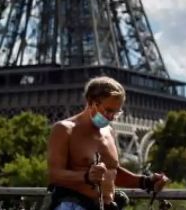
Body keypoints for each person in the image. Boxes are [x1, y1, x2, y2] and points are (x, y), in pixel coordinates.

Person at [46, 76, 170, 210]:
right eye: (108, 110)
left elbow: (112, 172)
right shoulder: (64, 129)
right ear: (91, 102)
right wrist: (86, 177)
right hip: (73, 205)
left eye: (116, 113)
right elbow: (54, 175)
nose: (111, 117)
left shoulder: (109, 131)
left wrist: (146, 182)